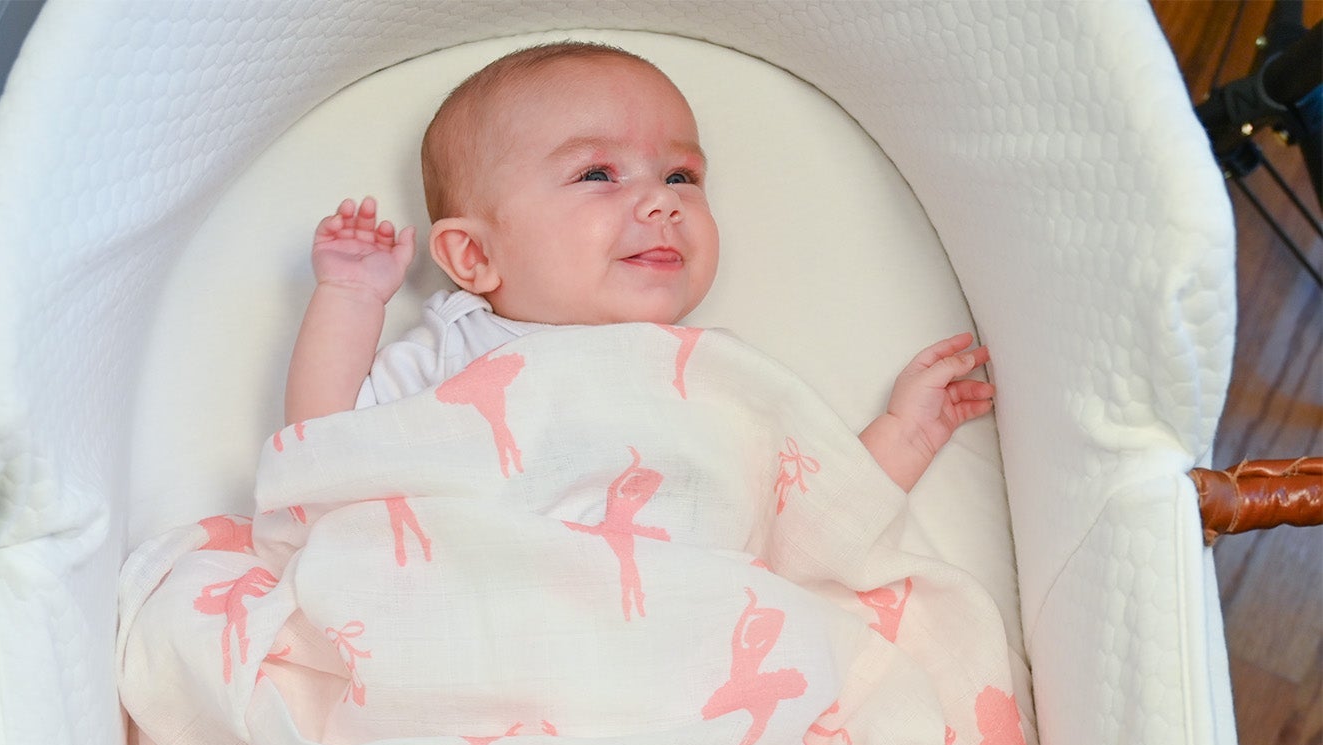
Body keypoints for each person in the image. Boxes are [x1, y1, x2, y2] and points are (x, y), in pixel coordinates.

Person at [282, 40, 994, 493]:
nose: (661, 200)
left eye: (682, 176)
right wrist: (349, 296)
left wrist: (905, 434)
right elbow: (323, 447)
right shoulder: (457, 348)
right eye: (597, 174)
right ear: (474, 256)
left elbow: (806, 511)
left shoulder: (713, 373)